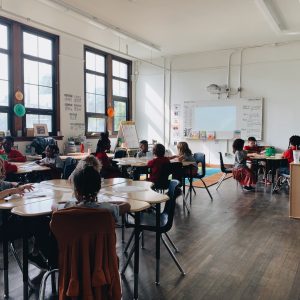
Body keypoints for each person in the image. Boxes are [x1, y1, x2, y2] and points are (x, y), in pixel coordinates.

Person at [29, 166, 130, 269]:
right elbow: (127, 205)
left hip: (70, 262)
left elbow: (54, 205)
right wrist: (107, 202)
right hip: (101, 264)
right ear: (99, 189)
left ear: (76, 192)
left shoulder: (67, 207)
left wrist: (70, 202)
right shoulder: (108, 210)